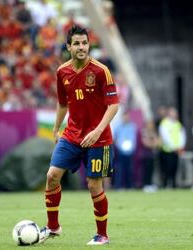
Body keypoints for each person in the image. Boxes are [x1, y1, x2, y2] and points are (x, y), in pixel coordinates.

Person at [39, 26, 119, 246]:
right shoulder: (62, 72)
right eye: (77, 43)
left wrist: (97, 131)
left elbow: (113, 106)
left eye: (84, 43)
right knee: (52, 175)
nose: (82, 47)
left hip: (99, 138)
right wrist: (56, 128)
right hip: (72, 135)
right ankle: (53, 227)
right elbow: (63, 103)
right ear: (69, 47)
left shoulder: (102, 70)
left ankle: (102, 235)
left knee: (94, 185)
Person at [158, 107, 186, 188]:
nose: (175, 115)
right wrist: (174, 147)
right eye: (173, 113)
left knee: (174, 169)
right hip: (167, 150)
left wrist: (180, 146)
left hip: (176, 151)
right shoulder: (164, 123)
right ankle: (165, 185)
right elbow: (165, 137)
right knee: (166, 170)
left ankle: (173, 185)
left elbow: (182, 136)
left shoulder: (178, 124)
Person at [113, 111, 137, 189]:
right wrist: (118, 145)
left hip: (130, 152)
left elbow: (134, 139)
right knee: (120, 169)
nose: (126, 118)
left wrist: (132, 147)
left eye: (127, 117)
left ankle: (129, 186)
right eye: (124, 117)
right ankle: (118, 186)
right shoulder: (118, 126)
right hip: (120, 151)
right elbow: (115, 138)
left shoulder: (132, 126)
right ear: (122, 117)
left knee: (129, 169)